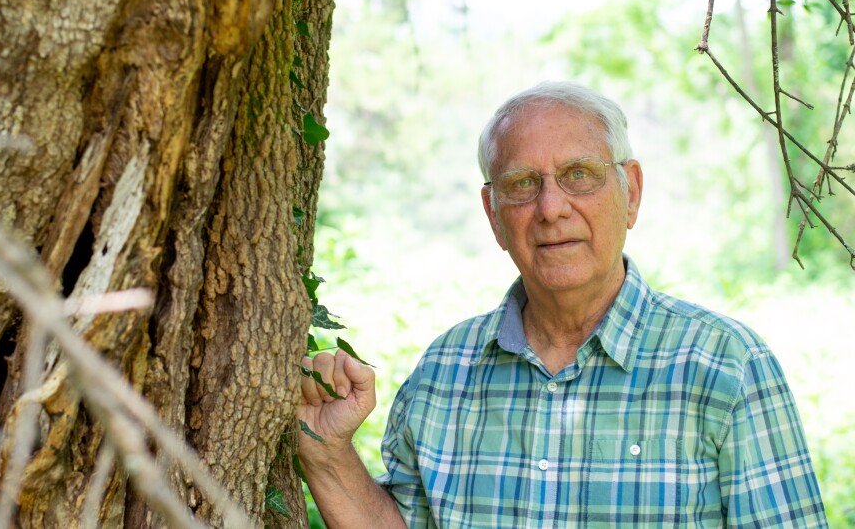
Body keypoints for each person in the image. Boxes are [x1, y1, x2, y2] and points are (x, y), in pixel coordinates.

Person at [297, 81, 828, 527]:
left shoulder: (726, 367)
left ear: (632, 192)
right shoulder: (442, 373)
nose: (551, 208)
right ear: (493, 213)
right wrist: (326, 453)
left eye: (579, 175)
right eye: (523, 184)